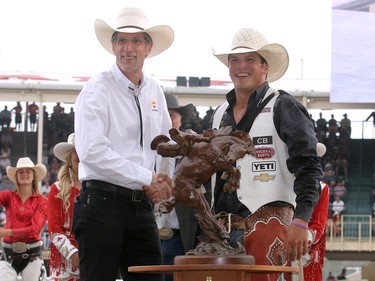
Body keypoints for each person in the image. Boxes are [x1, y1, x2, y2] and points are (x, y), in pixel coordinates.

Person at [210, 27, 323, 281]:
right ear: (228, 68)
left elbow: (309, 166)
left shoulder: (284, 105)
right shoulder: (218, 114)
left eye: (250, 59)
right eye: (235, 60)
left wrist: (302, 220)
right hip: (220, 234)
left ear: (265, 68)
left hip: (269, 231)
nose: (242, 66)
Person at [73, 6, 174, 281]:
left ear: (148, 47)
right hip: (102, 205)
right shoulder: (97, 89)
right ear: (113, 46)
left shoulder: (155, 90)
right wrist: (149, 178)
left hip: (141, 206)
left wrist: (164, 180)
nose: (128, 48)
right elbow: (91, 152)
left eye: (136, 41)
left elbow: (165, 143)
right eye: (121, 40)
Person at [154, 93, 197, 281]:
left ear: (180, 120)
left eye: (171, 115)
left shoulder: (193, 151)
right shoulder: (143, 152)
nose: (167, 119)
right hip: (148, 233)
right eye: (162, 114)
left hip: (182, 235)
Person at [0, 157, 48, 280]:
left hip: (33, 254)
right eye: (21, 172)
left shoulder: (42, 201)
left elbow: (34, 230)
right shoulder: (8, 196)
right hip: (8, 253)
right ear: (16, 176)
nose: (24, 174)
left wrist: (6, 232)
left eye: (28, 171)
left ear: (33, 176)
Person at [47, 133, 81, 280]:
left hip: (93, 257)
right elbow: (54, 229)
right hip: (63, 262)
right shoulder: (57, 189)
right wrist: (72, 253)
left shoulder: (99, 189)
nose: (81, 155)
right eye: (77, 150)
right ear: (69, 158)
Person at [303, 143, 330, 281]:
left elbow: (319, 223)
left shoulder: (322, 188)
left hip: (308, 245)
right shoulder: (285, 185)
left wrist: (303, 239)